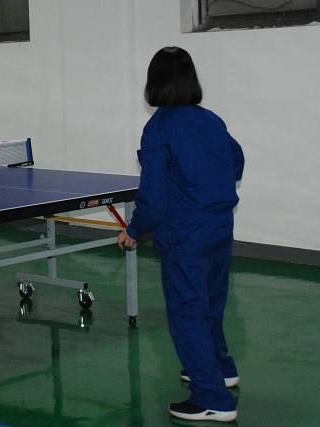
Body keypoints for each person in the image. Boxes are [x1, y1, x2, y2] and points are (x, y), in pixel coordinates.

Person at [117, 47, 244, 423]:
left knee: (187, 315)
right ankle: (222, 370)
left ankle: (213, 399)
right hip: (220, 230)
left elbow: (153, 197)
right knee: (210, 307)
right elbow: (236, 161)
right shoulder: (211, 120)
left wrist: (134, 229)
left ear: (154, 82)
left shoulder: (159, 128)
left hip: (186, 237)